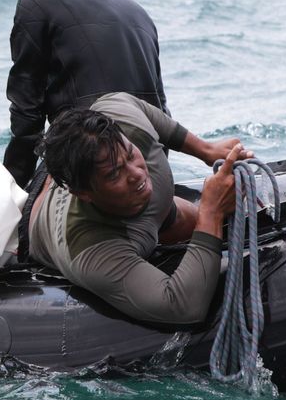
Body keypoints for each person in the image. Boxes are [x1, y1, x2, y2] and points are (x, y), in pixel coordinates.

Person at [28, 92, 250, 324]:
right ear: (84, 193)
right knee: (205, 219)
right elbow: (183, 308)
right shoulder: (91, 250)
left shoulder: (123, 121)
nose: (136, 174)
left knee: (191, 220)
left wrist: (206, 150)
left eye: (132, 155)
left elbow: (125, 100)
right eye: (115, 174)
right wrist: (211, 212)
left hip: (105, 186)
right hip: (42, 210)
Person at [4, 0, 167, 189]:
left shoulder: (36, 1)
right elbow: (161, 111)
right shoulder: (136, 11)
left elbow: (27, 115)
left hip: (98, 169)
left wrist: (11, 187)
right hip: (152, 170)